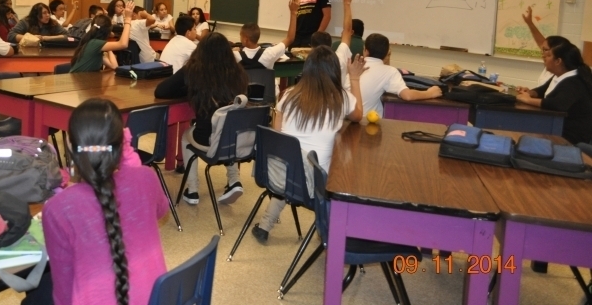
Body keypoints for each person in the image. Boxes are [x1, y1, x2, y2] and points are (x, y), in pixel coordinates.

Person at [42, 99, 168, 305]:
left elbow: (63, 291)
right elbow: (161, 209)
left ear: (71, 148)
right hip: (157, 298)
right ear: (122, 145)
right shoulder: (147, 178)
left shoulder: (57, 209)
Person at [252, 45, 364, 243]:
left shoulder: (288, 94)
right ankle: (328, 229)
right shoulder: (341, 97)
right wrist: (354, 78)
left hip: (277, 175)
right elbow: (358, 115)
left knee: (294, 162)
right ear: (334, 71)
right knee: (338, 164)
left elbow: (277, 136)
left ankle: (265, 225)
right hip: (312, 185)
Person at [155, 32, 248, 205]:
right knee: (226, 130)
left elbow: (161, 91)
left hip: (207, 138)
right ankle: (234, 180)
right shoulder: (238, 73)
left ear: (201, 50)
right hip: (235, 140)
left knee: (186, 137)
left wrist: (189, 89)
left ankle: (192, 190)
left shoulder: (194, 70)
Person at [516, 36, 592, 145]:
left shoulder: (574, 82)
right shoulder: (560, 75)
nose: (544, 57)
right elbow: (542, 90)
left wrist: (528, 100)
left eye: (548, 55)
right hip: (555, 129)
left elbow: (558, 104)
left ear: (558, 61)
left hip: (569, 137)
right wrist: (529, 92)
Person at [359, 33, 442, 117]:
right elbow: (407, 95)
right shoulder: (390, 71)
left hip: (352, 118)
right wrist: (430, 93)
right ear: (387, 53)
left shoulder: (355, 67)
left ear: (365, 50)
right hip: (366, 121)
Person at [234, 0, 298, 70]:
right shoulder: (269, 53)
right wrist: (293, 12)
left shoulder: (235, 56)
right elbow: (290, 39)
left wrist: (232, 51)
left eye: (241, 36)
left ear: (245, 39)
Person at [70, 2, 135, 73]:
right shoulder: (94, 43)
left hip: (84, 78)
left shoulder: (95, 45)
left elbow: (114, 66)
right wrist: (128, 19)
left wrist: (109, 48)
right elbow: (123, 44)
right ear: (108, 32)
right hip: (78, 79)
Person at [520, 6, 553, 87]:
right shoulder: (548, 68)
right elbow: (542, 43)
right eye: (543, 51)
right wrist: (530, 23)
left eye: (546, 52)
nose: (543, 55)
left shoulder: (560, 75)